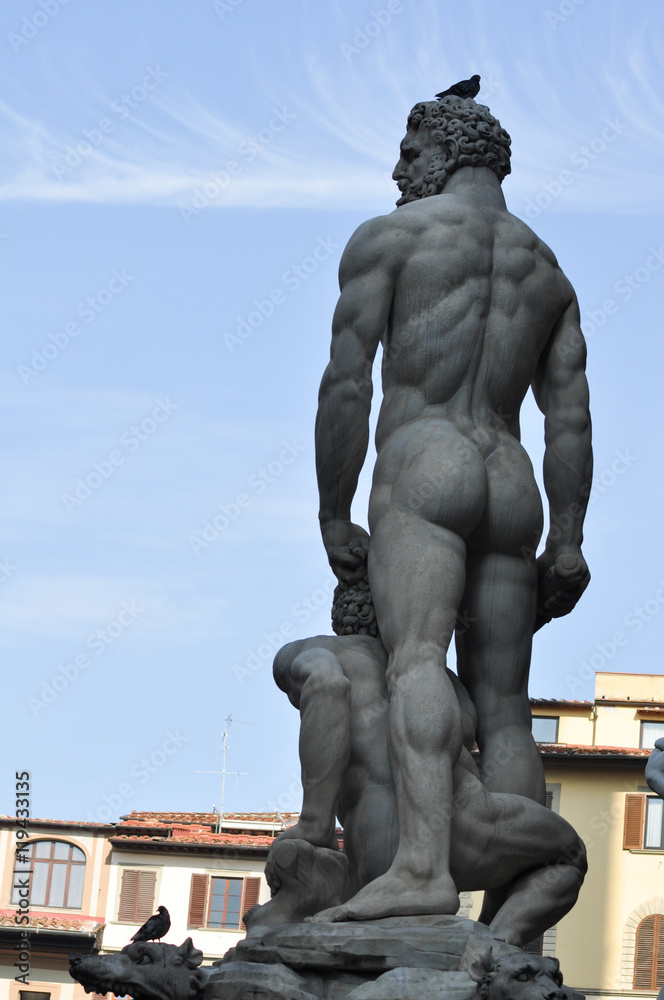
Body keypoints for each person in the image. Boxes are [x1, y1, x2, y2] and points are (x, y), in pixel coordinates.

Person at [315, 95, 592, 919]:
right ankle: (515, 921)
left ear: (448, 148)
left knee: (415, 661)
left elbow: (347, 383)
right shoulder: (548, 272)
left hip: (426, 460)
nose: (397, 170)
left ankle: (420, 872)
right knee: (506, 711)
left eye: (409, 151)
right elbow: (569, 416)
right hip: (511, 479)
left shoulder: (392, 237)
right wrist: (568, 539)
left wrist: (334, 510)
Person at [260, 633, 586, 944]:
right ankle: (496, 942)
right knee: (568, 853)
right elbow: (461, 734)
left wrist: (315, 823)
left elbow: (326, 687)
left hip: (372, 847)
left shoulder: (307, 650)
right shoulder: (434, 670)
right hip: (461, 830)